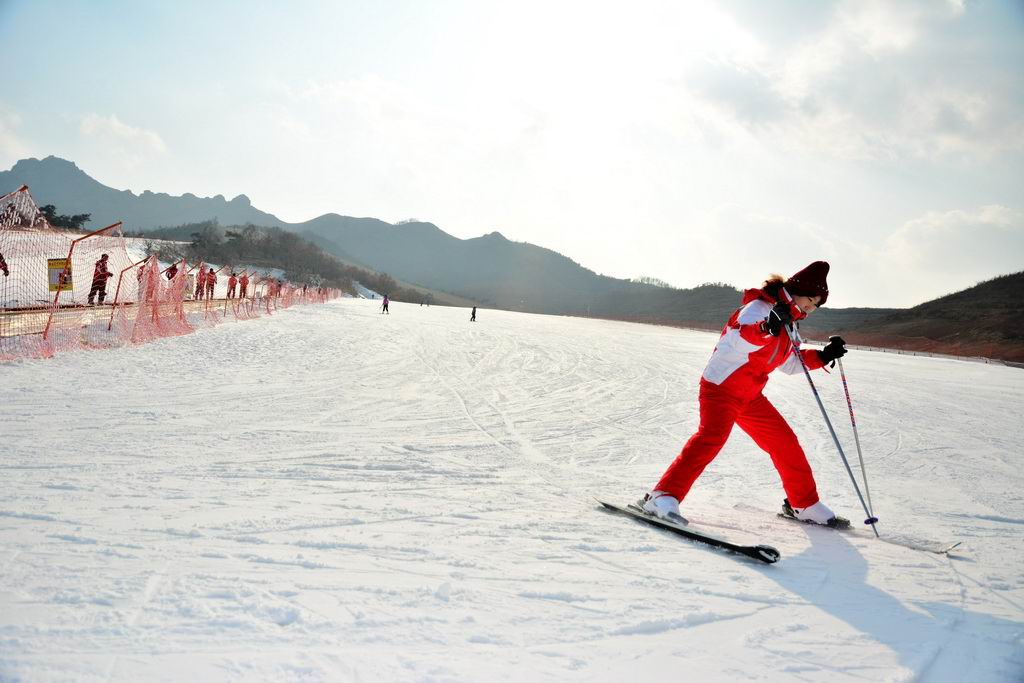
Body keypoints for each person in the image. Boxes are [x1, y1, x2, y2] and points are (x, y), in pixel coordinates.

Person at [640, 261, 849, 527]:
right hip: (721, 387)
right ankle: (662, 496)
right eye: (811, 300)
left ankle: (803, 504)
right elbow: (739, 340)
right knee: (711, 437)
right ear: (796, 290)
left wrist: (823, 355)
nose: (812, 307)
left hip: (750, 396)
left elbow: (790, 363)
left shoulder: (790, 324)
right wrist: (766, 328)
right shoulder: (758, 308)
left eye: (817, 304)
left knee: (785, 443)